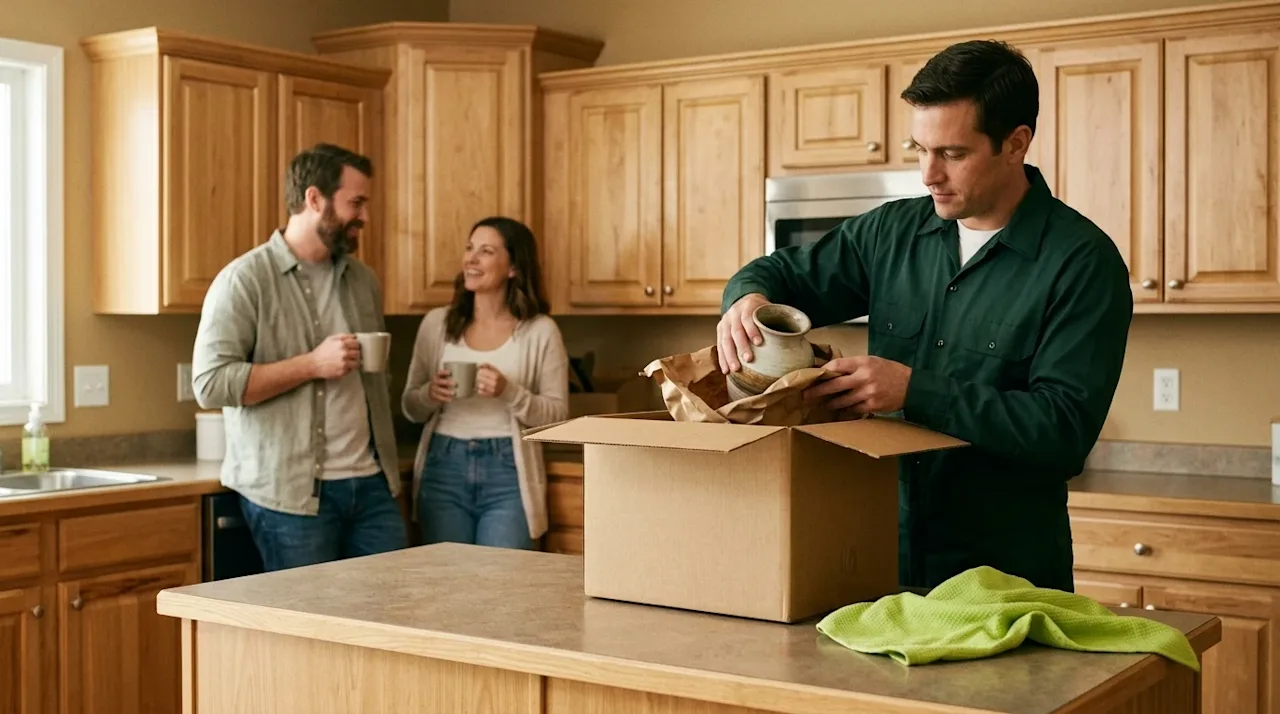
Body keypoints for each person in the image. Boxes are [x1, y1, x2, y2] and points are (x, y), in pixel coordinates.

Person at [717, 40, 1133, 593]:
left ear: (1016, 143)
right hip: (871, 557)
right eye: (919, 149)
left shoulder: (1082, 263)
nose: (928, 174)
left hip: (1002, 579)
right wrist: (746, 299)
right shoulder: (890, 233)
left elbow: (1061, 431)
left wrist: (914, 391)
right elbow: (780, 276)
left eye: (953, 154)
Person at [192, 143, 407, 572]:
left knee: (394, 616)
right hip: (290, 496)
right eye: (356, 203)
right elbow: (210, 384)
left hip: (370, 483)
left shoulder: (362, 280)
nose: (364, 216)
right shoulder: (245, 280)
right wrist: (312, 364)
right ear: (314, 199)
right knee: (310, 628)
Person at [402, 216, 569, 550]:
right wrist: (430, 395)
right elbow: (409, 406)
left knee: (503, 589)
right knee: (446, 587)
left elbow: (558, 417)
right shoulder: (437, 324)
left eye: (486, 251)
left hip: (509, 472)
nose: (471, 259)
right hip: (443, 465)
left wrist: (509, 392)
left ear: (513, 268)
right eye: (469, 248)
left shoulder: (540, 331)